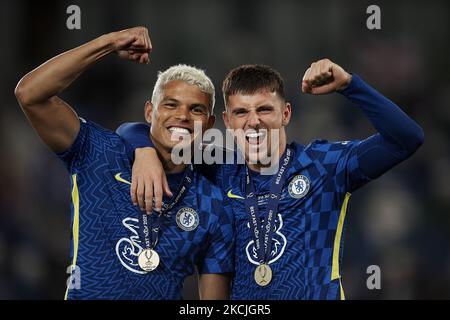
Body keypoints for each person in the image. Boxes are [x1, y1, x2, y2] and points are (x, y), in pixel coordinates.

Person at [116, 60, 424, 299]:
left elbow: (406, 138)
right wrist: (144, 151)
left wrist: (349, 85)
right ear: (226, 121)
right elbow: (136, 131)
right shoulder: (218, 168)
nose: (253, 121)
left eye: (265, 109)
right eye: (241, 112)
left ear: (286, 113)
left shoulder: (323, 165)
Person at [14, 26, 234, 300]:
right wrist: (107, 43)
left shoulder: (213, 203)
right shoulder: (99, 154)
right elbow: (30, 94)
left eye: (196, 109)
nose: (183, 116)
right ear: (149, 111)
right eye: (170, 105)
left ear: (210, 124)